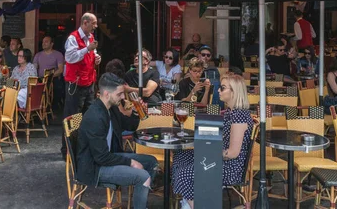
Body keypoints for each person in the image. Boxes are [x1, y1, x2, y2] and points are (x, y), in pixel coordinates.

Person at [76, 73, 158, 209]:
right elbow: (101, 157)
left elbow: (129, 126)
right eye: (120, 93)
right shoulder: (95, 116)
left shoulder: (110, 108)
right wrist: (130, 162)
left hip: (107, 157)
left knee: (151, 162)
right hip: (95, 167)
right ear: (107, 93)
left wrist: (137, 111)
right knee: (143, 176)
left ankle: (139, 201)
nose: (122, 97)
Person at [172, 74, 253, 209]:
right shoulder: (230, 112)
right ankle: (196, 201)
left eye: (223, 88)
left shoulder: (239, 116)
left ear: (234, 91)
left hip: (230, 167)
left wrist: (209, 153)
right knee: (180, 156)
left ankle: (194, 204)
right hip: (219, 159)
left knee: (183, 174)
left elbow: (232, 153)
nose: (219, 91)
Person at [62, 12, 101, 157]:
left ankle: (83, 149)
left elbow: (92, 53)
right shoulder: (73, 38)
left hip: (89, 83)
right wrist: (87, 49)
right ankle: (68, 151)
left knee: (88, 116)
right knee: (73, 118)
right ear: (85, 23)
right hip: (76, 85)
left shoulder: (90, 37)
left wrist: (96, 58)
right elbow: (70, 58)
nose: (95, 26)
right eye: (94, 23)